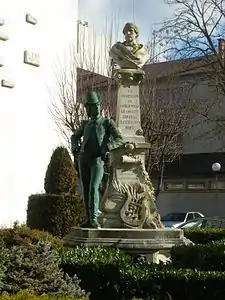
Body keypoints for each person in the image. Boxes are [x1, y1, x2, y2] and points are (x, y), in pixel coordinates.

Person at [71, 91, 124, 228]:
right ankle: (88, 219)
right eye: (88, 107)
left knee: (94, 187)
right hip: (84, 159)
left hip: (97, 160)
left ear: (97, 106)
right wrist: (74, 146)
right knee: (86, 189)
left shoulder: (107, 123)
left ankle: (94, 218)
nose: (90, 110)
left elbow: (120, 139)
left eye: (93, 106)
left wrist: (108, 147)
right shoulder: (85, 124)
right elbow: (74, 136)